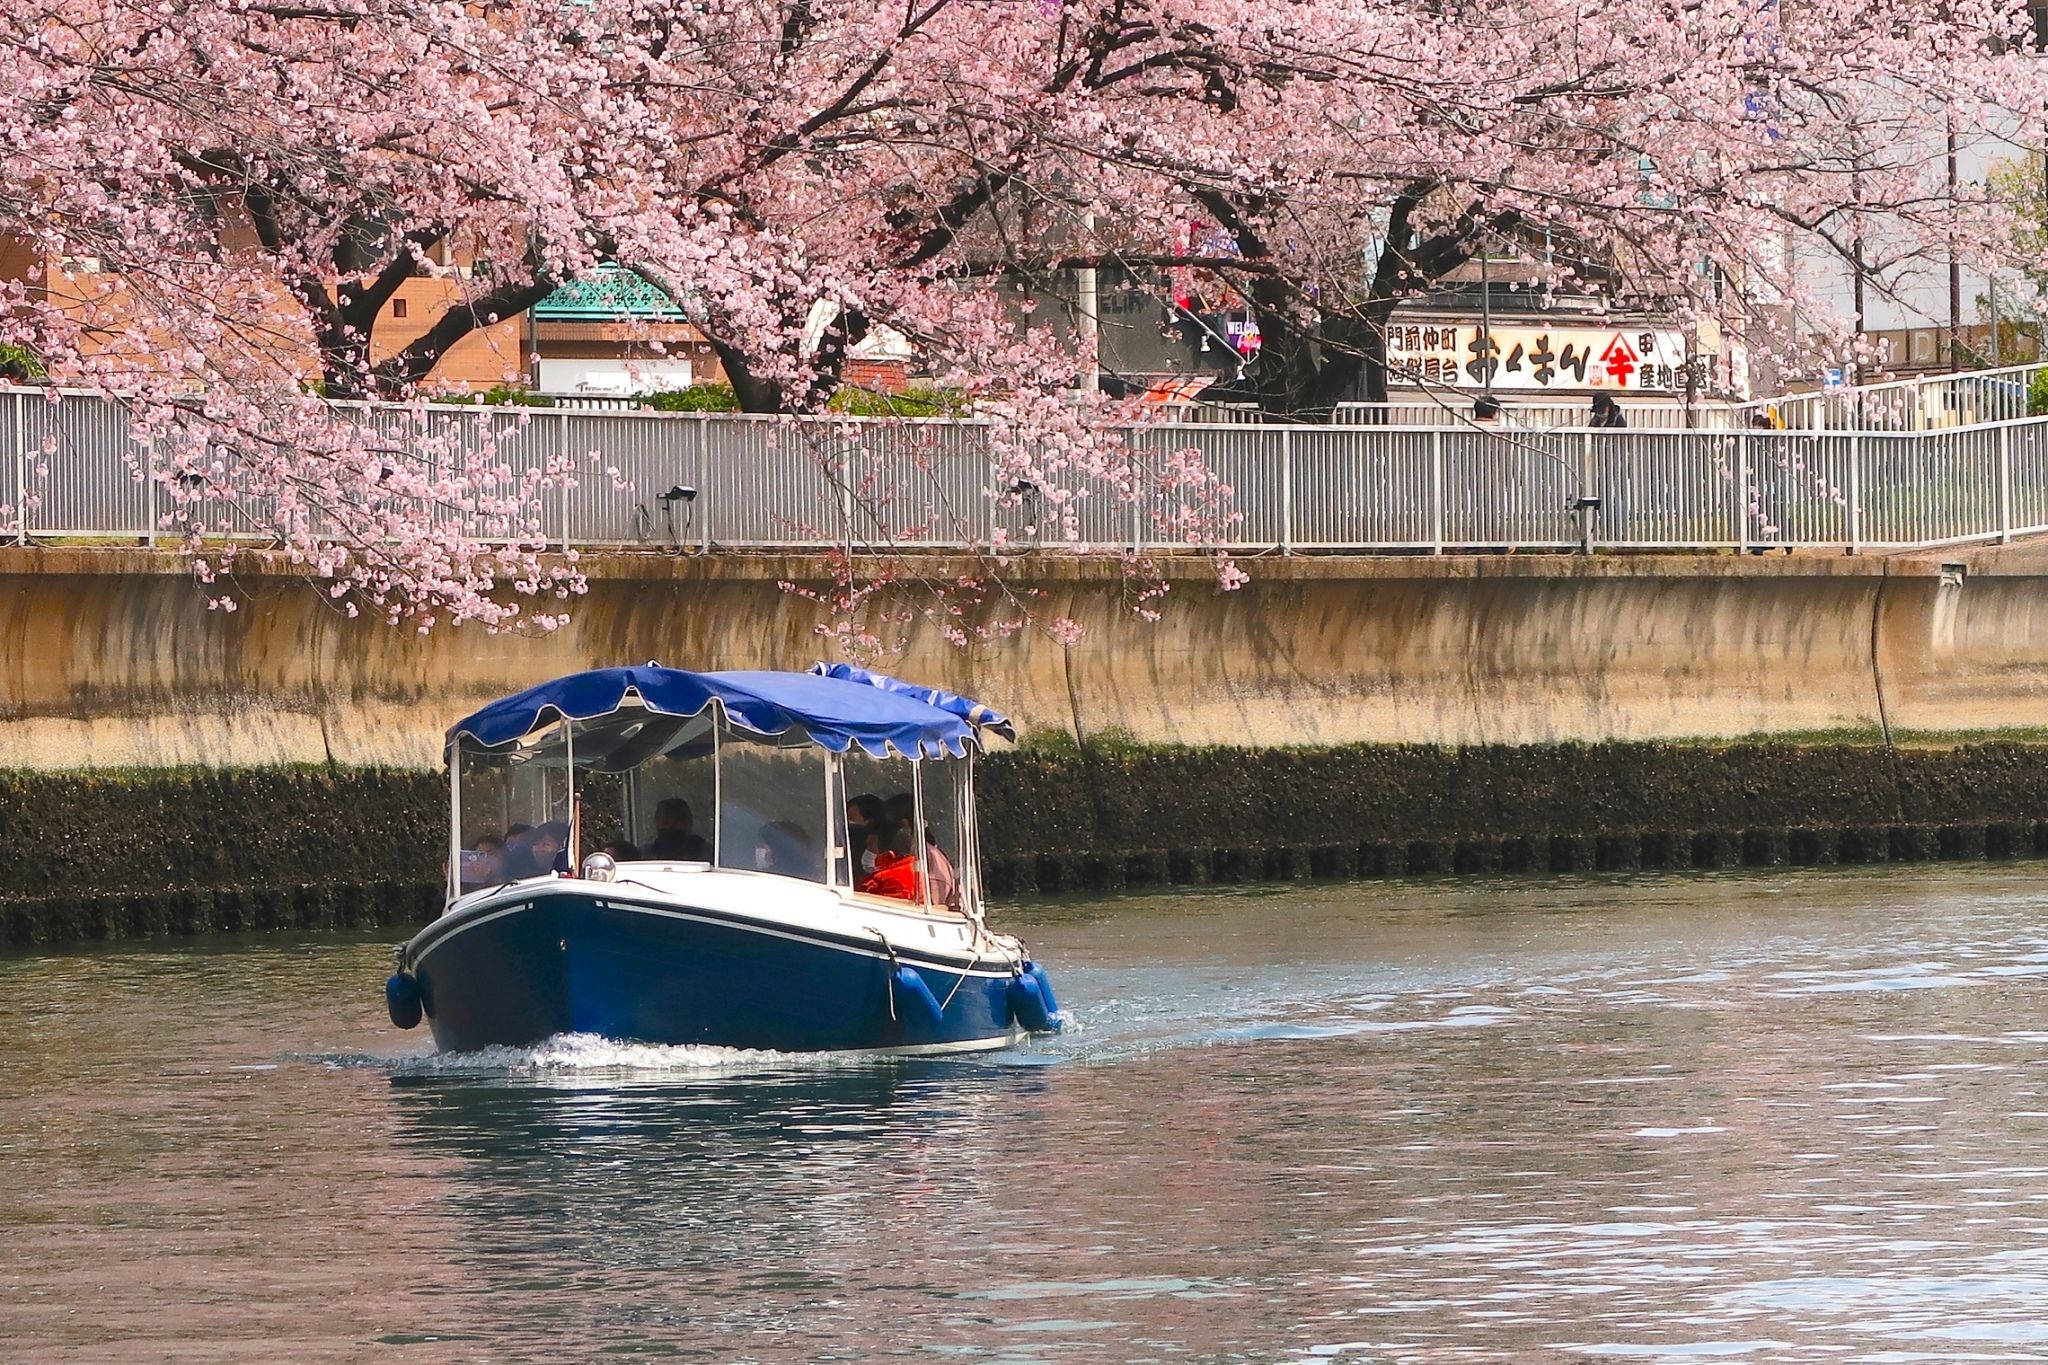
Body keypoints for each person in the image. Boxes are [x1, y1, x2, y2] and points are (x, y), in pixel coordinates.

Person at [858, 822, 924, 903]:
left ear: (888, 853)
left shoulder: (895, 880)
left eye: (870, 846)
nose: (867, 850)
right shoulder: (907, 868)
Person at [646, 796, 709, 861]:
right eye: (659, 816)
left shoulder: (704, 851)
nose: (662, 820)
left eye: (667, 815)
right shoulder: (646, 854)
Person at [501, 821, 569, 880]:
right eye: (535, 844)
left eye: (546, 844)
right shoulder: (525, 876)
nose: (538, 849)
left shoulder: (569, 879)